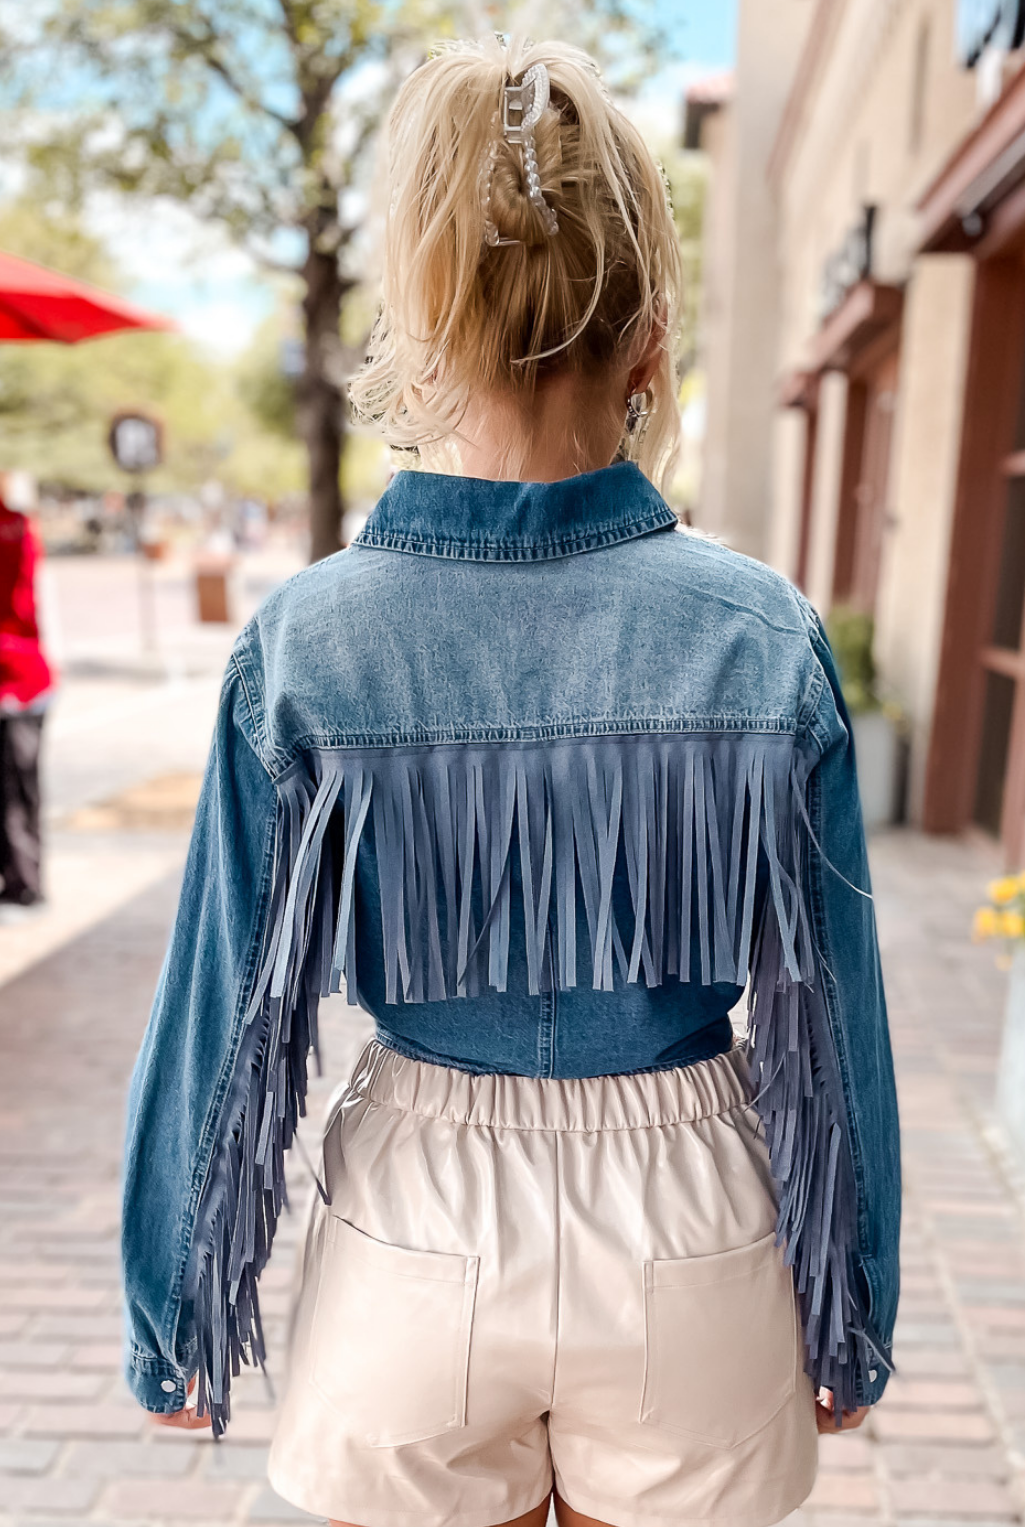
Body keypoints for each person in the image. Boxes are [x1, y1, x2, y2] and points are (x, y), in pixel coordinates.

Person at [120, 36, 900, 1527]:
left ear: (421, 331)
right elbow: (827, 1009)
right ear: (651, 333)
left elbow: (224, 1008)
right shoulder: (760, 636)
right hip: (692, 1213)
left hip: (417, 1204)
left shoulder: (304, 647)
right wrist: (850, 1293)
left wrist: (178, 1309)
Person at [0, 480, 55, 914]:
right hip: (27, 675)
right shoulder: (20, 527)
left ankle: (25, 883)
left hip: (16, 681)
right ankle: (23, 881)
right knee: (20, 787)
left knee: (16, 787)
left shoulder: (15, 528)